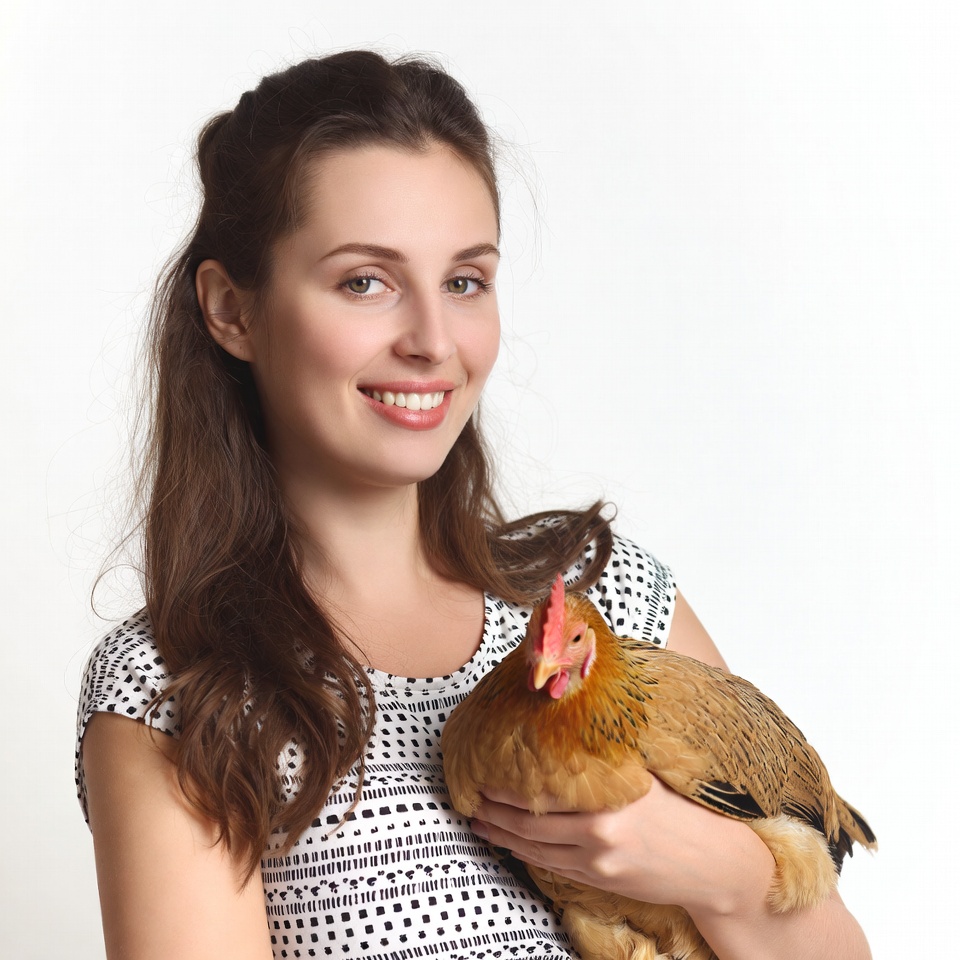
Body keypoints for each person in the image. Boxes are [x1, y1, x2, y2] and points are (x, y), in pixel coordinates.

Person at [75, 50, 871, 959]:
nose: (432, 340)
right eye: (364, 281)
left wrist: (712, 869)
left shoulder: (608, 600)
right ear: (231, 310)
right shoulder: (178, 688)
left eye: (464, 281)